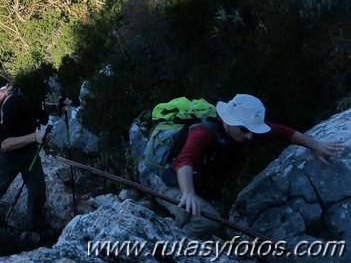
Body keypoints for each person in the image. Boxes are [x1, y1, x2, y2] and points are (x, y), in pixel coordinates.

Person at [139, 93, 345, 239]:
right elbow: (185, 160)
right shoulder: (203, 132)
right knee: (207, 221)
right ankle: (171, 248)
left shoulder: (244, 131)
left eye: (252, 131)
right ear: (228, 120)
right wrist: (188, 193)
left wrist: (316, 145)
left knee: (198, 216)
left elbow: (284, 132)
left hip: (196, 186)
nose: (249, 136)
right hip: (172, 183)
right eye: (245, 130)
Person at [0, 87, 50, 233]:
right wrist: (35, 137)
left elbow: (42, 117)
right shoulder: (11, 105)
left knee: (38, 190)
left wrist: (59, 107)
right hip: (8, 156)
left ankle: (32, 228)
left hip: (28, 150)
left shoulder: (33, 97)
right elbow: (5, 144)